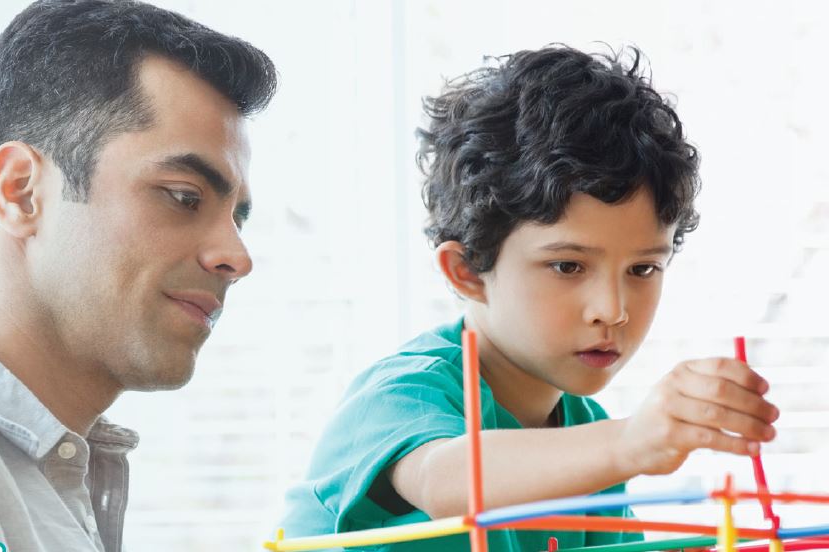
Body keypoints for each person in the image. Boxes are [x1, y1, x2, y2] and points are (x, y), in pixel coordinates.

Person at [280, 45, 779, 551]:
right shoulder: (400, 395)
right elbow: (445, 479)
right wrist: (632, 442)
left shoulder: (588, 441)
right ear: (467, 272)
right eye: (567, 266)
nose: (613, 308)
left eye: (643, 268)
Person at [0, 1, 276, 551]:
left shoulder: (65, 476)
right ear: (22, 192)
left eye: (236, 219)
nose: (237, 258)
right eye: (183, 197)